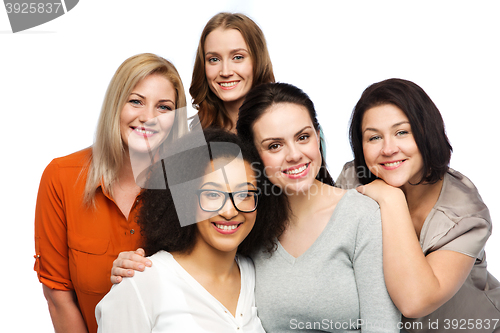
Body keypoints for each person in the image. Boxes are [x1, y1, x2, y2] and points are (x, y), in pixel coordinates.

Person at [111, 83, 401, 332]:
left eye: (303, 137)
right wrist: (133, 270)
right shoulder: (250, 228)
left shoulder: (361, 215)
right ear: (253, 155)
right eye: (274, 145)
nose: (294, 155)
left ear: (318, 135)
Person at [34, 53, 189, 333]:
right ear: (115, 105)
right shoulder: (61, 176)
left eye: (164, 107)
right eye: (136, 101)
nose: (148, 118)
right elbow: (58, 297)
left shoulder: (189, 184)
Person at [336, 78, 500, 332]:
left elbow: (415, 302)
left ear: (427, 132)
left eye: (402, 132)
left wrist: (391, 200)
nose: (388, 149)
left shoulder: (465, 214)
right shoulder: (352, 180)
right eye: (374, 137)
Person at [96, 128, 288, 332]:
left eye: (244, 194)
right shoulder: (142, 283)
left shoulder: (254, 275)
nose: (230, 211)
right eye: (213, 194)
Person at [189, 12, 274, 131]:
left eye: (238, 57)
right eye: (214, 59)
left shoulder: (283, 122)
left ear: (258, 60)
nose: (225, 72)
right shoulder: (195, 138)